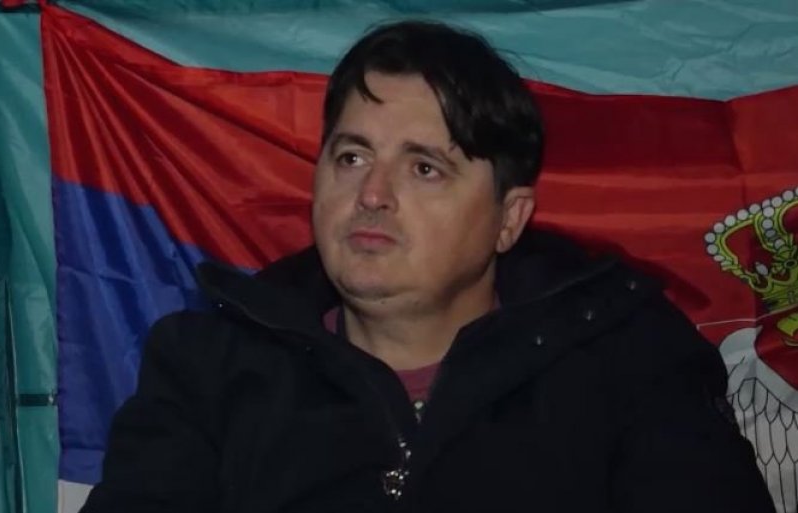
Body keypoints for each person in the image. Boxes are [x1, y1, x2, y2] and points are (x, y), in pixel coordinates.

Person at [81, 20, 775, 513]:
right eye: (352, 157)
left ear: (509, 219)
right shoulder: (207, 366)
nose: (372, 194)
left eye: (424, 168)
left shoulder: (630, 357)